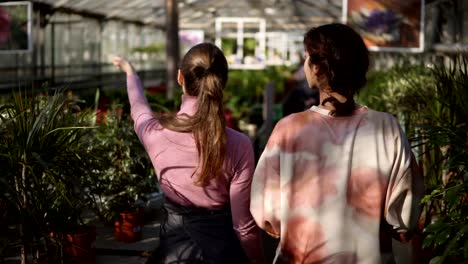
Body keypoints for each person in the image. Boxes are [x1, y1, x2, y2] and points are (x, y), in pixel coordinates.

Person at [250, 23, 424, 263]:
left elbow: (267, 210)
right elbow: (405, 218)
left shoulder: (288, 129)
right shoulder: (387, 128)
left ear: (319, 67)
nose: (304, 65)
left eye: (306, 58)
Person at [113, 43, 264, 264]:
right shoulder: (239, 144)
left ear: (180, 78)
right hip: (224, 252)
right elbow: (243, 225)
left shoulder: (155, 134)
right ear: (223, 83)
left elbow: (139, 108)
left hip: (176, 252)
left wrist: (130, 73)